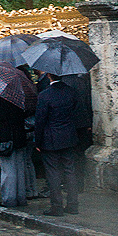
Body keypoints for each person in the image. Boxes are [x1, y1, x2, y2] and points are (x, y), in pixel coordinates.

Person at [33, 73, 80, 216]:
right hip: (68, 136)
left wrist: (38, 141)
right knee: (70, 171)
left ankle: (57, 206)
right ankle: (73, 205)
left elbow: (40, 120)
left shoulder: (45, 95)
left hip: (50, 138)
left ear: (49, 76)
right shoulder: (71, 91)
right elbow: (75, 111)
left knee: (53, 173)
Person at [0, 96, 31, 207]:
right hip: (20, 137)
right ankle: (21, 197)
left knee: (8, 171)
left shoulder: (6, 99)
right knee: (20, 169)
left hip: (8, 138)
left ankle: (9, 199)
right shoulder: (20, 97)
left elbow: (3, 116)